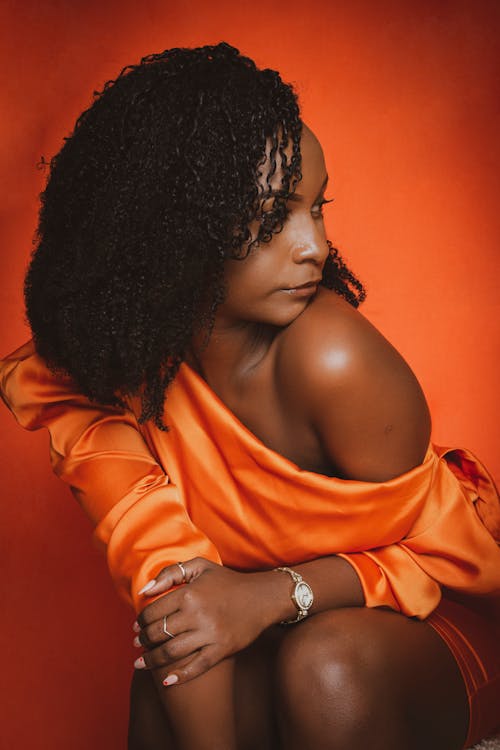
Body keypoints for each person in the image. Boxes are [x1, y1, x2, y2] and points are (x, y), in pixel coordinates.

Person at [1, 42, 499, 750]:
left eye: (317, 209)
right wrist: (222, 621)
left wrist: (270, 596)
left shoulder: (335, 362)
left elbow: (452, 559)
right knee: (166, 680)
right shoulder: (94, 379)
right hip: (290, 630)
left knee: (324, 671)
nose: (313, 248)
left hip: (444, 632)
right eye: (273, 220)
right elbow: (169, 580)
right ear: (173, 233)